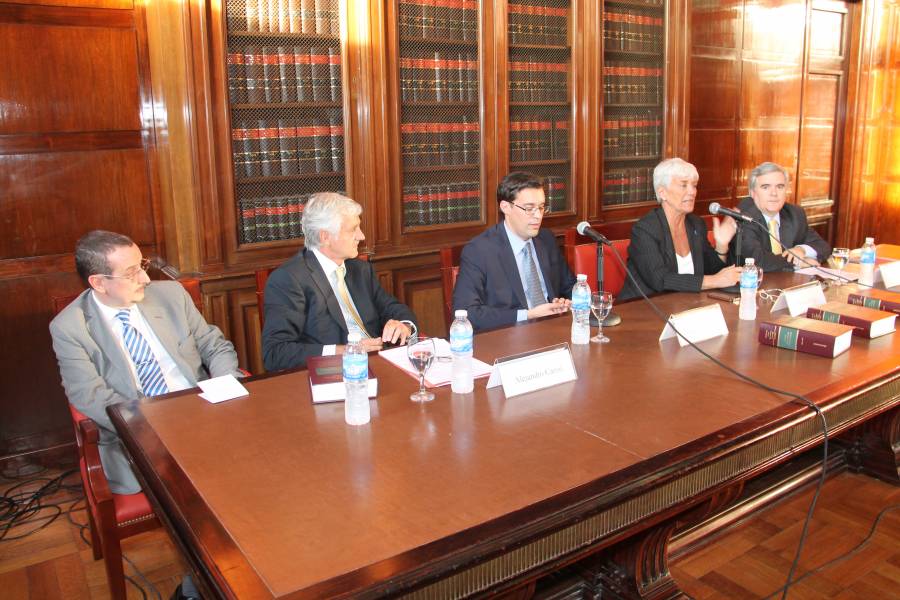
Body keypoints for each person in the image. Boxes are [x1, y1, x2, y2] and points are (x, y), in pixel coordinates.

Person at [50, 230, 242, 494]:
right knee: (202, 488)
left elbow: (214, 345)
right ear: (99, 282)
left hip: (204, 415)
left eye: (142, 265)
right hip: (142, 433)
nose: (146, 278)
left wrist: (224, 385)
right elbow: (88, 395)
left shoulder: (171, 295)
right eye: (131, 273)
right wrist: (147, 426)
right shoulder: (70, 327)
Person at [262, 193, 417, 371]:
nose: (362, 236)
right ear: (325, 237)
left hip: (380, 365)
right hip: (333, 373)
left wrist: (404, 326)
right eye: (353, 229)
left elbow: (394, 308)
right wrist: (344, 351)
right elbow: (275, 352)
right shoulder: (289, 280)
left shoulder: (359, 269)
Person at [452, 171, 575, 331]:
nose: (538, 216)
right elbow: (467, 312)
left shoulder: (546, 239)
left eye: (541, 207)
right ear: (505, 207)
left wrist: (566, 303)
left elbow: (570, 286)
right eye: (529, 208)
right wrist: (528, 315)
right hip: (508, 338)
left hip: (553, 330)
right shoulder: (479, 251)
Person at [618, 158, 743, 301]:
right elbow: (660, 280)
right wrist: (714, 280)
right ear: (662, 192)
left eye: (694, 186)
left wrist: (722, 244)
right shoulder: (645, 229)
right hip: (642, 309)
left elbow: (712, 271)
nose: (692, 192)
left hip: (684, 306)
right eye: (683, 185)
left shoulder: (696, 224)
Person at [735, 162, 831, 272]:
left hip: (789, 284)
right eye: (765, 187)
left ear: (786, 191)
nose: (774, 193)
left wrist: (801, 250)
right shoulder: (744, 216)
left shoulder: (794, 214)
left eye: (780, 187)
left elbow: (823, 247)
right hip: (753, 286)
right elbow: (758, 261)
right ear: (752, 193)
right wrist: (799, 262)